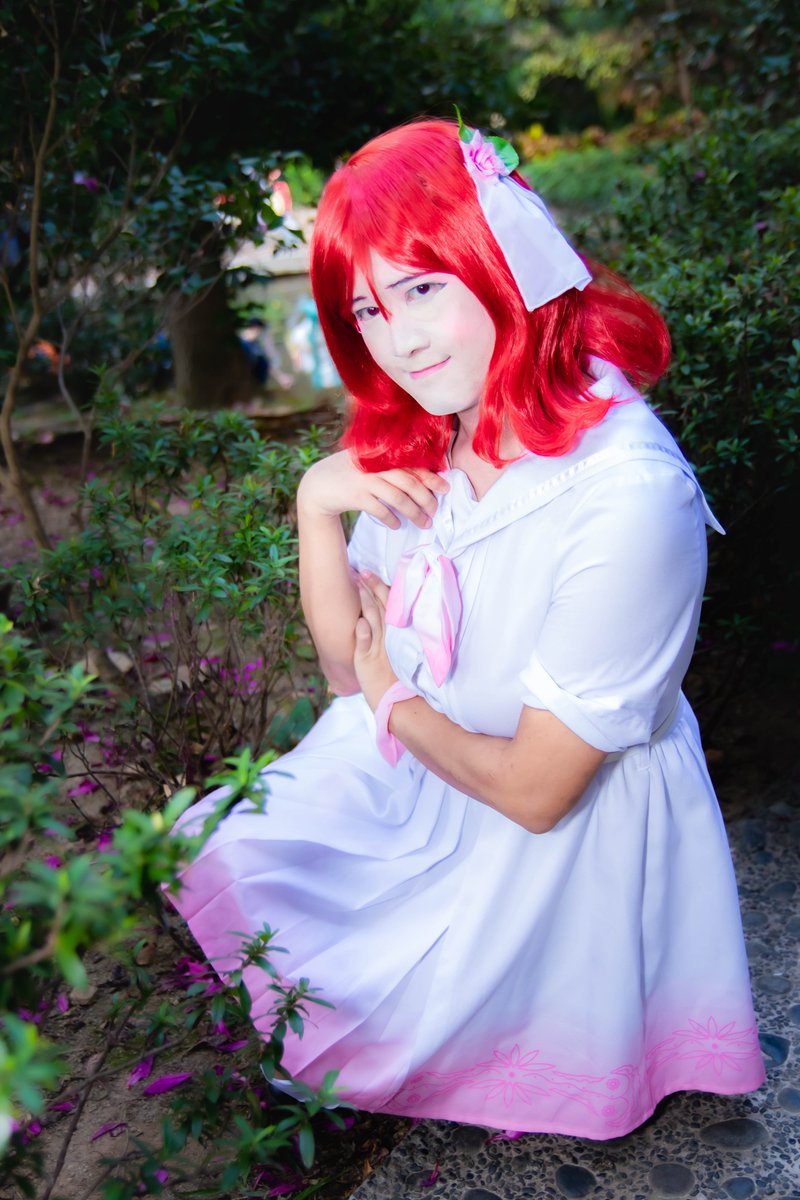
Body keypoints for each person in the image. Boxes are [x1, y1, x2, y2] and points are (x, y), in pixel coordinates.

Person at [169, 118, 765, 1139]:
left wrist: (393, 699)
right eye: (367, 308)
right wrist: (316, 503)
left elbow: (536, 791)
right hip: (433, 772)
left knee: (427, 1019)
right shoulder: (441, 426)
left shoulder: (627, 494)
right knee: (221, 848)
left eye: (420, 288)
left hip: (560, 838)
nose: (397, 340)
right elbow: (343, 673)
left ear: (502, 261)